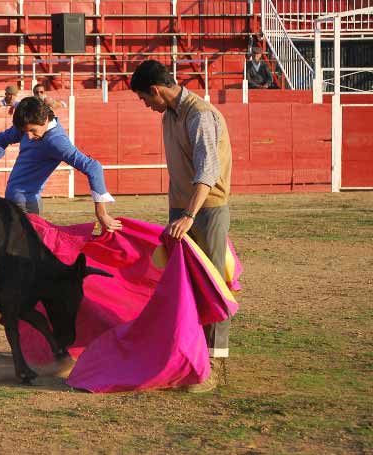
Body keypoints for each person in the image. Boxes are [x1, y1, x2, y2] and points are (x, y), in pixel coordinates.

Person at [130, 59, 232, 393]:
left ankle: (213, 363)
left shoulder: (201, 115)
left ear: (157, 90)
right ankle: (188, 353)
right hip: (181, 209)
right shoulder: (171, 116)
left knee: (211, 281)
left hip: (206, 209)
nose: (146, 106)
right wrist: (178, 213)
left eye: (146, 99)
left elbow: (208, 172)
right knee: (183, 283)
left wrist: (188, 215)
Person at [0, 96, 122, 232]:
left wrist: (101, 212)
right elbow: (1, 139)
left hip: (25, 205)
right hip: (18, 201)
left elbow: (93, 167)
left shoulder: (56, 141)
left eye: (32, 131)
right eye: (25, 131)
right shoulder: (29, 123)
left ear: (45, 119)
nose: (28, 136)